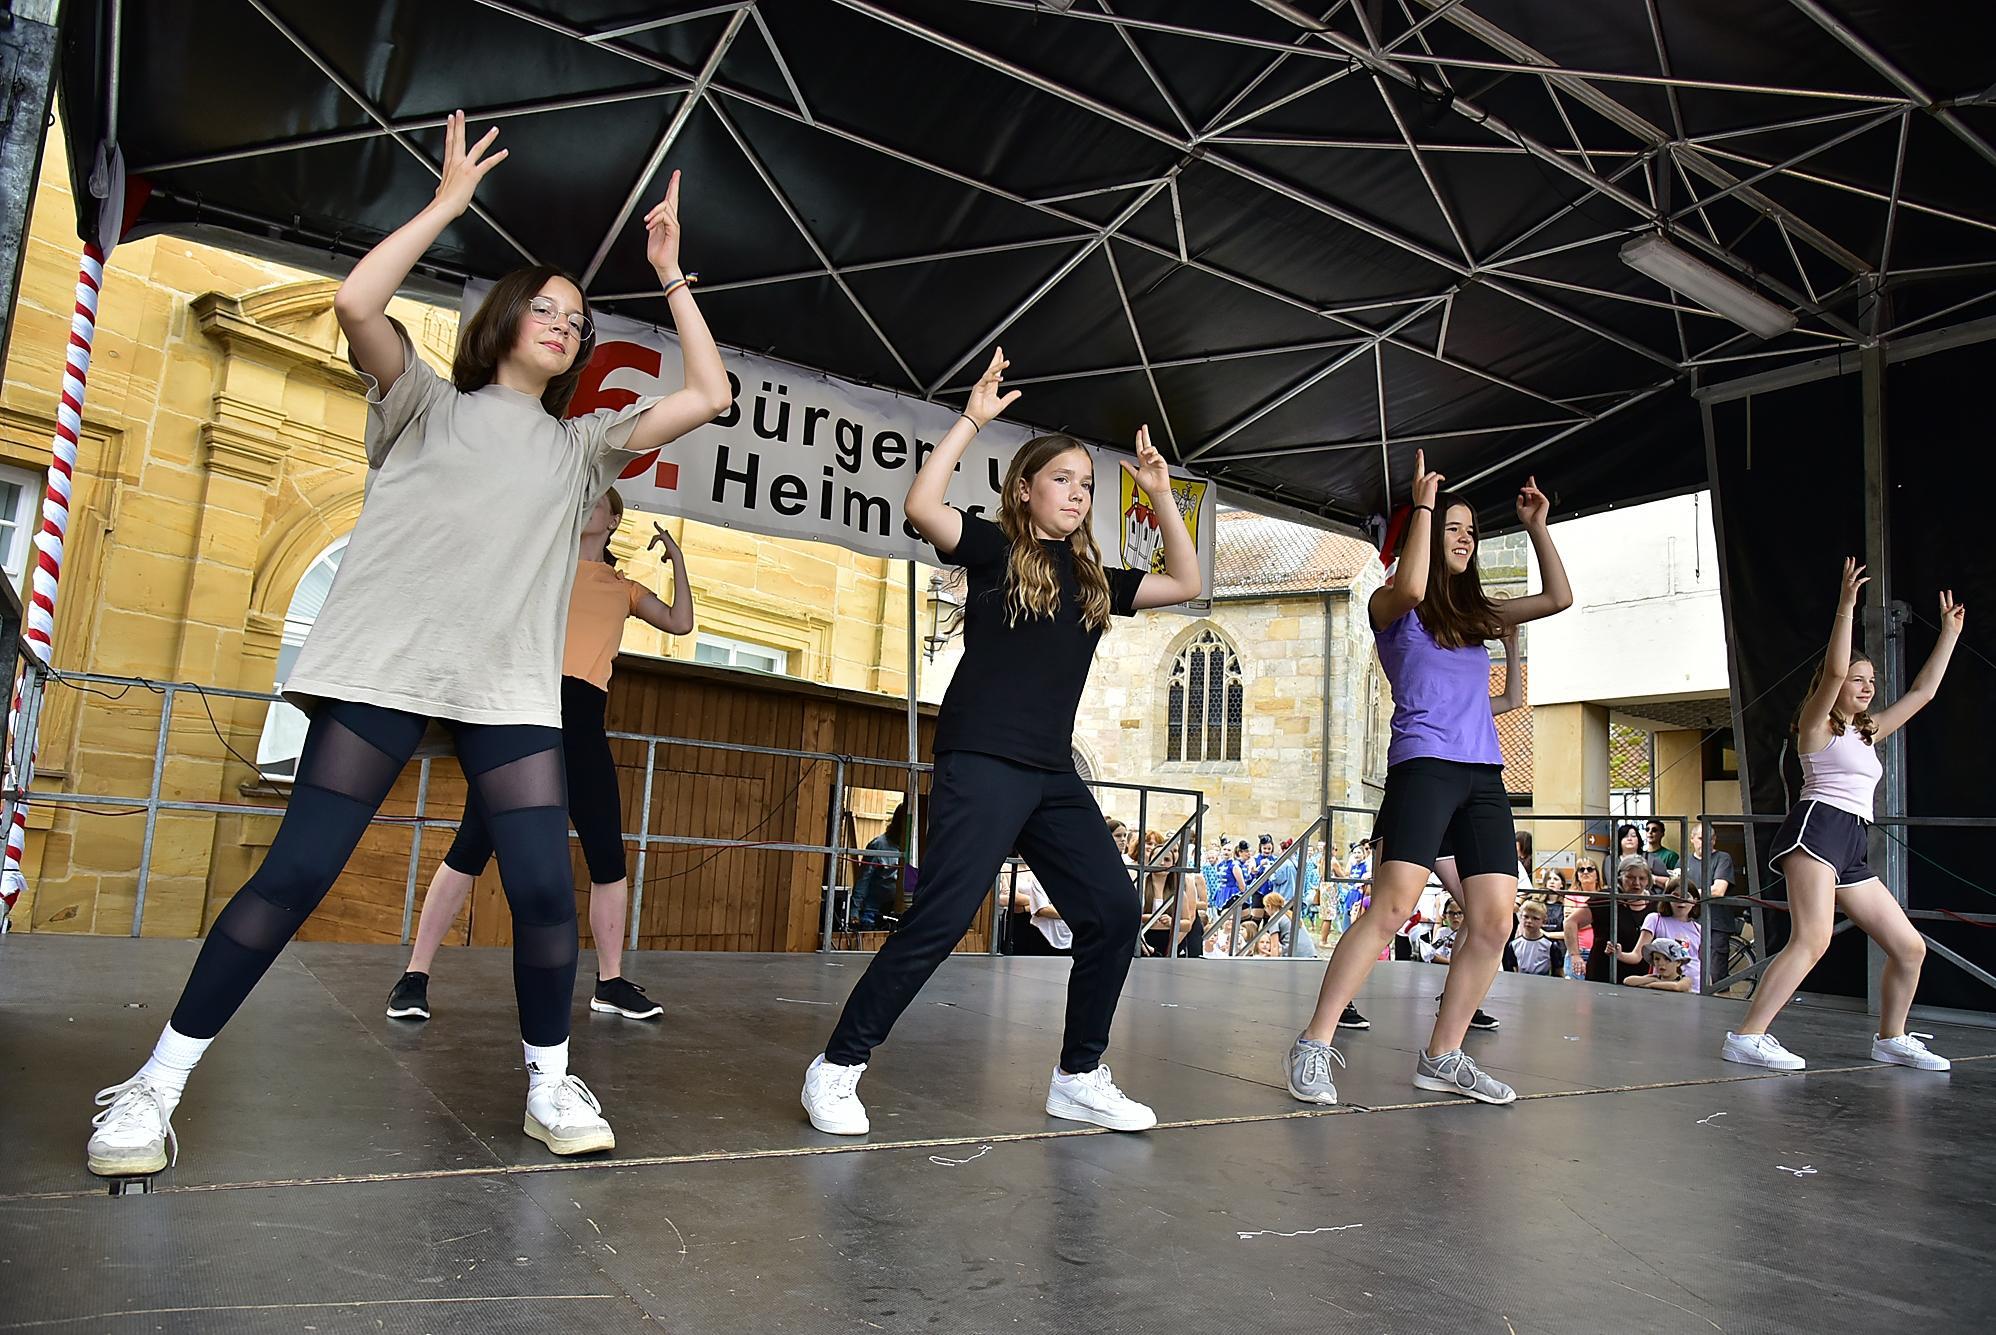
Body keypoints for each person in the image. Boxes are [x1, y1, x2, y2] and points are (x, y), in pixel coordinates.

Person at [84, 117, 732, 1177]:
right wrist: (445, 205)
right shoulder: (422, 401)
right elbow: (355, 303)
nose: (563, 324)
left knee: (543, 893)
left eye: (577, 318)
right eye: (545, 307)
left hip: (507, 693)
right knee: (295, 874)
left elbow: (711, 395)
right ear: (502, 319)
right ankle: (156, 1083)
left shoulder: (582, 448)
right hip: (383, 671)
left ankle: (549, 1081)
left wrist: (668, 276)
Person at [799, 353, 1203, 1138]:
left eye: (1087, 484)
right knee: (943, 916)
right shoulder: (993, 551)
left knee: (1115, 910)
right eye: (1062, 479)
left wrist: (1159, 493)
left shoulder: (1095, 580)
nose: (1078, 493)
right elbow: (922, 504)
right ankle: (837, 1066)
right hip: (982, 759)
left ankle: (1079, 1076)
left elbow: (1186, 581)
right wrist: (971, 421)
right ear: (1025, 488)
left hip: (1051, 771)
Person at [1287, 457, 1572, 1107]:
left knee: (1495, 922)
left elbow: (1558, 598)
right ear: (1425, 532)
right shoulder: (1392, 606)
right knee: (1392, 908)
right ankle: (1313, 1042)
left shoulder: (1476, 617)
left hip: (1484, 774)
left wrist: (1536, 527)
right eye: (1453, 528)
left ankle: (1443, 1054)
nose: (1465, 537)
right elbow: (1414, 587)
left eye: (1471, 530)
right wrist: (1421, 507)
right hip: (1424, 766)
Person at [385, 492, 695, 1025]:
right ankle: (414, 976)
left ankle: (611, 982)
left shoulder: (623, 588)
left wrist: (678, 561)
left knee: (608, 855)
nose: (585, 504)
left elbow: (680, 622)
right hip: (528, 712)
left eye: (597, 501)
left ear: (614, 520)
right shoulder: (543, 566)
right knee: (471, 845)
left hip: (584, 720)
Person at [1723, 563, 1963, 1073]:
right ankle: (1747, 1036)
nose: (1867, 686)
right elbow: (1832, 672)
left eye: (1871, 680)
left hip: (1852, 841)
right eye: (1859, 679)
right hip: (1817, 829)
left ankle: (1891, 1038)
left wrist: (1949, 634)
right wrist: (1847, 606)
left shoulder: (1866, 732)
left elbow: (1922, 694)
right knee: (1812, 939)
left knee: (1909, 948)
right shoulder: (1816, 727)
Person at [1426, 621, 1523, 1032]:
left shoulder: (1475, 705)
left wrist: (1511, 644)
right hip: (1427, 802)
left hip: (1459, 817)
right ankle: (1343, 1000)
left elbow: (1513, 699)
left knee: (1480, 911)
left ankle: (1458, 1000)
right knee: (1386, 911)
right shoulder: (1433, 695)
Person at [1563, 855, 1655, 985]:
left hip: (1638, 978)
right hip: (1602, 974)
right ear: (1620, 877)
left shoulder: (1654, 904)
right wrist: (1575, 955)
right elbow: (1570, 922)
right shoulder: (1606, 899)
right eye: (1630, 877)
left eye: (1642, 878)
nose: (1637, 883)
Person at [1605, 884, 1702, 993]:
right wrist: (1619, 954)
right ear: (1666, 897)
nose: (1681, 901)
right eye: (1675, 896)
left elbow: (1704, 964)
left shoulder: (1699, 929)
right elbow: (1637, 955)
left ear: (1694, 901)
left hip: (1694, 987)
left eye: (1686, 896)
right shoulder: (1655, 919)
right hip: (1662, 983)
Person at [851, 803, 911, 930]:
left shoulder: (914, 849)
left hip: (901, 913)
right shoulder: (879, 846)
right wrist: (854, 912)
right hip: (873, 913)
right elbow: (863, 879)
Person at [1005, 858, 1071, 956]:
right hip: (1042, 934)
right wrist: (1072, 914)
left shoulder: (1073, 879)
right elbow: (1041, 909)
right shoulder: (1040, 876)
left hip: (1070, 934)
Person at [1507, 899, 1564, 977]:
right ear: (1520, 917)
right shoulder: (1514, 944)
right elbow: (1513, 970)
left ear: (1544, 921)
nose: (1529, 921)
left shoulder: (1550, 945)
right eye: (1526, 917)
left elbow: (1559, 972)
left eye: (1535, 918)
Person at [1627, 937, 1695, 992]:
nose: (1661, 963)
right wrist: (1654, 980)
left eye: (1667, 959)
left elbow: (1676, 987)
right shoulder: (1654, 977)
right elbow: (1628, 981)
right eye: (1657, 959)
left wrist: (1650, 985)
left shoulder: (1685, 980)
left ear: (1678, 962)